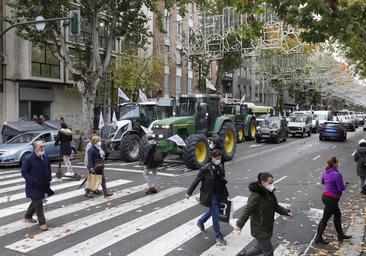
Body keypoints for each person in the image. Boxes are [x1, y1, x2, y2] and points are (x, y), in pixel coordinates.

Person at [234, 172, 292, 256]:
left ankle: (243, 255)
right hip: (259, 228)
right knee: (269, 252)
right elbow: (247, 211)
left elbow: (275, 206)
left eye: (272, 182)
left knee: (259, 249)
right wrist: (239, 225)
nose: (272, 185)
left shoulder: (269, 192)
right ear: (263, 182)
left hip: (267, 225)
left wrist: (286, 212)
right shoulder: (256, 196)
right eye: (270, 183)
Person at [186, 149, 229, 246]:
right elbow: (196, 180)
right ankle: (218, 236)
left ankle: (200, 221)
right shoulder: (205, 168)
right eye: (216, 158)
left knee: (213, 210)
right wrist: (189, 192)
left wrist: (226, 193)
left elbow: (222, 180)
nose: (218, 160)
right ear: (212, 158)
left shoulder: (221, 165)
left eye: (220, 158)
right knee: (215, 214)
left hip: (219, 192)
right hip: (210, 194)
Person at [314, 156, 351, 244]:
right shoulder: (337, 174)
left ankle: (340, 235)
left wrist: (330, 184)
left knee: (337, 215)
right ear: (334, 164)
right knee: (325, 219)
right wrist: (345, 185)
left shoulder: (325, 172)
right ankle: (318, 238)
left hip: (325, 197)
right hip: (332, 199)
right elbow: (341, 188)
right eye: (337, 163)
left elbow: (323, 182)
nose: (338, 164)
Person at [21, 140, 53, 231]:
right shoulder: (29, 158)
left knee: (36, 201)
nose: (43, 148)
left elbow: (48, 168)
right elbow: (24, 172)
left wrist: (49, 177)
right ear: (35, 148)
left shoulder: (45, 157)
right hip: (33, 185)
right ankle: (42, 222)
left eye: (44, 146)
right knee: (38, 204)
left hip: (43, 184)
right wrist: (32, 180)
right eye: (41, 147)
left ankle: (28, 216)